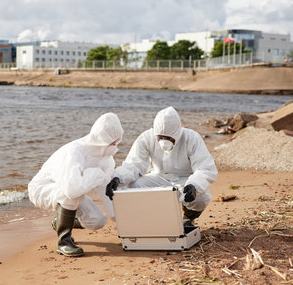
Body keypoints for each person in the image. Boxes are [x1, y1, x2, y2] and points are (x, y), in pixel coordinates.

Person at [28, 113, 124, 257]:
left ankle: (60, 222)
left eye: (116, 141)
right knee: (71, 195)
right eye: (111, 141)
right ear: (100, 137)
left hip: (73, 191)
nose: (114, 145)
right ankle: (64, 242)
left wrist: (121, 223)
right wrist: (96, 173)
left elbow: (106, 191)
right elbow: (71, 190)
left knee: (98, 220)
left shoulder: (107, 159)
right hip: (42, 189)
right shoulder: (75, 151)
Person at [106, 106, 217, 226]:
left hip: (186, 181)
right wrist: (118, 178)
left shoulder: (191, 138)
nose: (164, 141)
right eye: (160, 138)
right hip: (158, 177)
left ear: (177, 133)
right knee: (133, 186)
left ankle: (188, 218)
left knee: (201, 198)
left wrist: (194, 186)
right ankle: (149, 218)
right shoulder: (146, 138)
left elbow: (205, 168)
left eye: (169, 138)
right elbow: (134, 164)